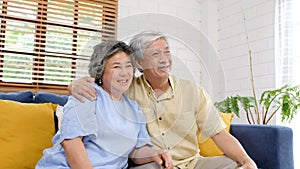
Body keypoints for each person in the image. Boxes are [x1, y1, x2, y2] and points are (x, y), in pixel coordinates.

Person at [69, 31, 257, 169]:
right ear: (139, 63)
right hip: (156, 164)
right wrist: (74, 85)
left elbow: (219, 134)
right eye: (155, 54)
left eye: (166, 52)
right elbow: (102, 82)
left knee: (234, 165)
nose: (164, 59)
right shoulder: (127, 88)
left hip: (193, 164)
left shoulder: (193, 91)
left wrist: (247, 160)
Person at [36, 40, 173, 169]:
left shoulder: (134, 107)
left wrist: (155, 153)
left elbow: (136, 151)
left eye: (128, 66)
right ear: (100, 71)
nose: (124, 73)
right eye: (116, 66)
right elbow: (71, 142)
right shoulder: (87, 93)